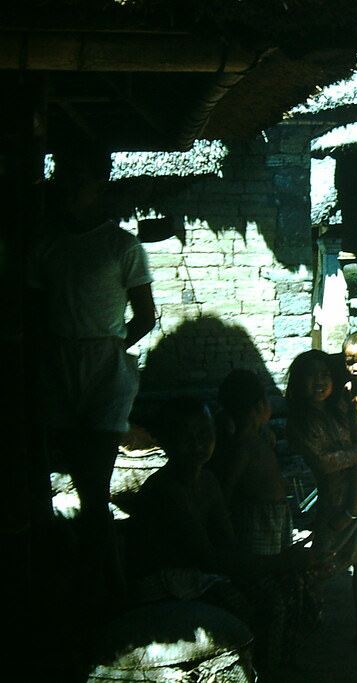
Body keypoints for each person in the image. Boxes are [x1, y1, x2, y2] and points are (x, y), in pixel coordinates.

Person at [27, 146, 156, 609]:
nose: (70, 185)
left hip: (105, 370)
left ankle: (97, 597)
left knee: (93, 485)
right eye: (65, 175)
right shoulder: (47, 244)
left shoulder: (121, 246)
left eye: (80, 177)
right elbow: (37, 313)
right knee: (50, 483)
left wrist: (108, 352)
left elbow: (144, 317)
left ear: (100, 182)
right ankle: (88, 586)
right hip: (56, 367)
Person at [123, 396, 313, 670]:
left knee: (288, 586)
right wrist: (280, 561)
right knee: (246, 600)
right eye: (185, 437)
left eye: (204, 434)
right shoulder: (165, 491)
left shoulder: (209, 482)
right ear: (164, 441)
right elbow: (209, 558)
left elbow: (229, 545)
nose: (198, 445)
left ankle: (278, 667)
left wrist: (280, 565)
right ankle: (256, 669)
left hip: (195, 574)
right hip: (162, 582)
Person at [286, 350, 357, 649]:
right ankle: (307, 625)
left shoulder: (341, 406)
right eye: (311, 376)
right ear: (298, 383)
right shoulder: (300, 423)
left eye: (324, 376)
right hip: (333, 500)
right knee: (320, 564)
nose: (319, 382)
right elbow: (324, 463)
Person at [213, 369, 291, 556]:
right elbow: (227, 488)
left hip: (276, 514)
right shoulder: (243, 447)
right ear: (260, 406)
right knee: (264, 569)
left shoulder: (260, 439)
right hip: (257, 520)